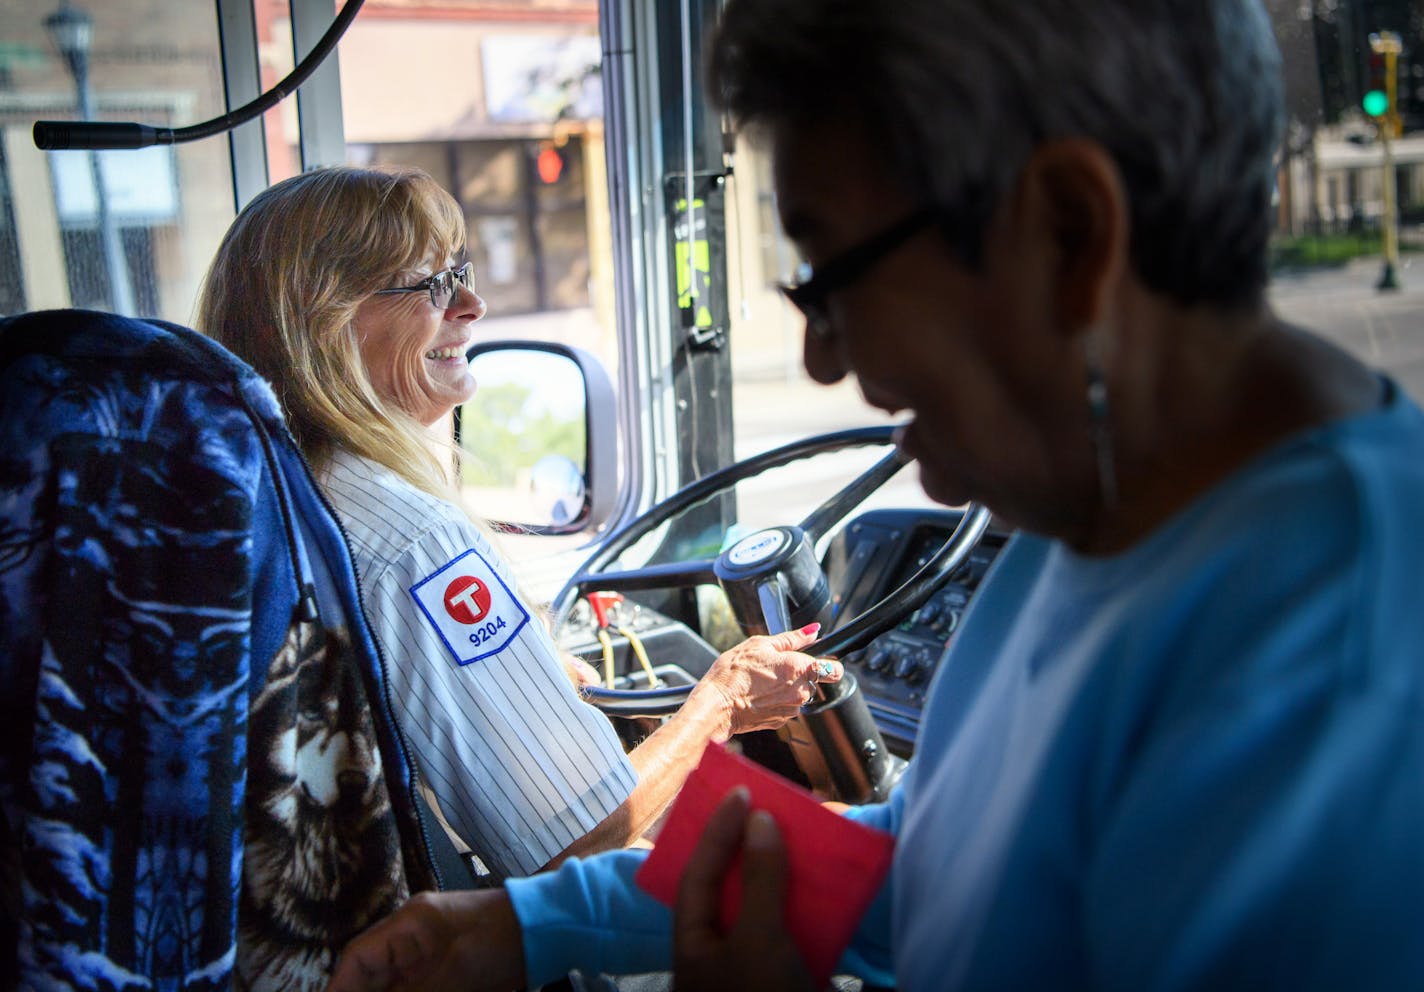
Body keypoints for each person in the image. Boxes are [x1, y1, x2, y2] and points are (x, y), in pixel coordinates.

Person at [325, 1, 1424, 989]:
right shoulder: (1091, 507)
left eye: (832, 275)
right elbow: (940, 859)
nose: (813, 357)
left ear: (1067, 234)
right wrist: (529, 924)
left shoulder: (1337, 654)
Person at [196, 165, 843, 885]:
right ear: (328, 321)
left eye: (460, 274)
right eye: (432, 284)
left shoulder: (273, 491)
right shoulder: (416, 542)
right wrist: (721, 701)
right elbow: (574, 846)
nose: (472, 305)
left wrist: (516, 683)